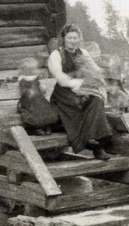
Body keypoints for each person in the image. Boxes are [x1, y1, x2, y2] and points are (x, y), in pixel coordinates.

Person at [48, 24, 115, 160]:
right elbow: (61, 79)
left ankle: (98, 145)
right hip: (64, 93)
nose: (73, 41)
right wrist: (81, 84)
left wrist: (99, 81)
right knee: (79, 103)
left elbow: (95, 70)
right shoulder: (56, 55)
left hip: (83, 89)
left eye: (75, 38)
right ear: (64, 38)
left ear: (79, 39)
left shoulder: (83, 53)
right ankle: (90, 142)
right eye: (70, 38)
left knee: (96, 100)